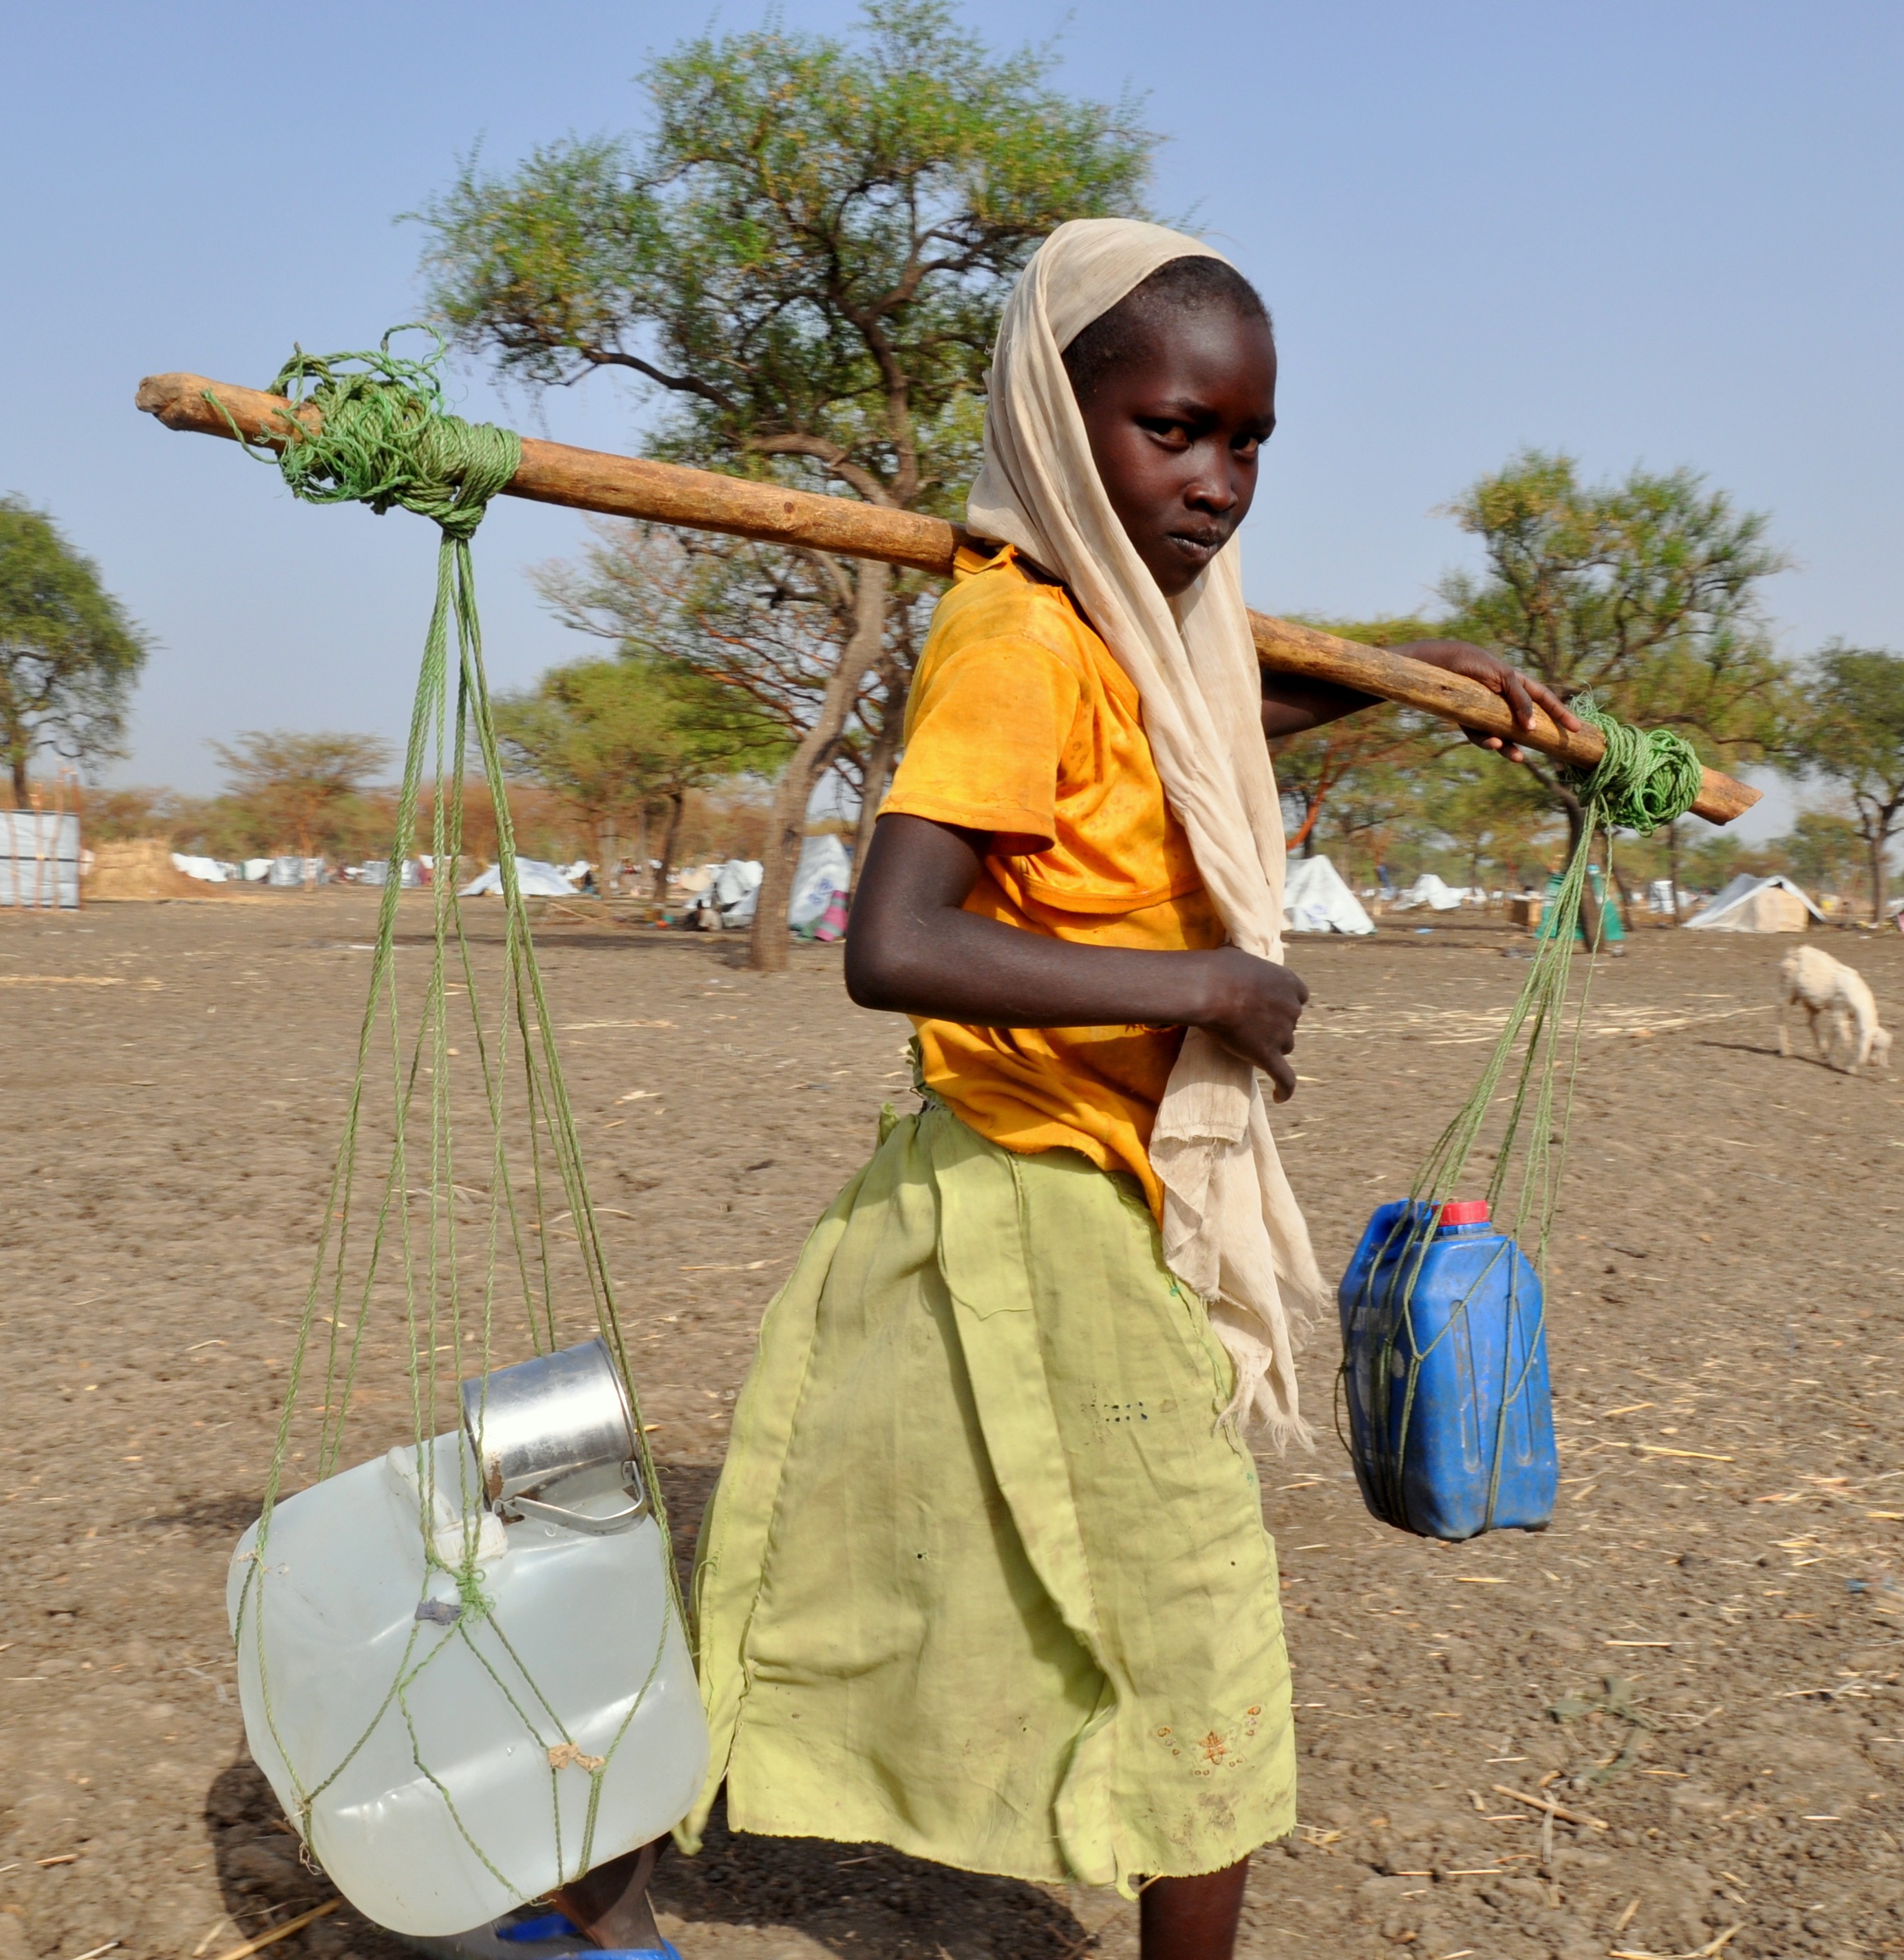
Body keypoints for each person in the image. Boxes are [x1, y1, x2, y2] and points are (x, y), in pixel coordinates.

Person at [527, 222, 1575, 1960]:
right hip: (1038, 1190)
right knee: (1202, 1633)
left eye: (1246, 440)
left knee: (822, 1569)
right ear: (1052, 408)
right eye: (1172, 429)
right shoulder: (1010, 635)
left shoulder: (1131, 627)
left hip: (1023, 1179)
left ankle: (585, 1895)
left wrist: (1412, 681)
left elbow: (1184, 721)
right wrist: (1208, 984)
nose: (1218, 478)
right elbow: (896, 937)